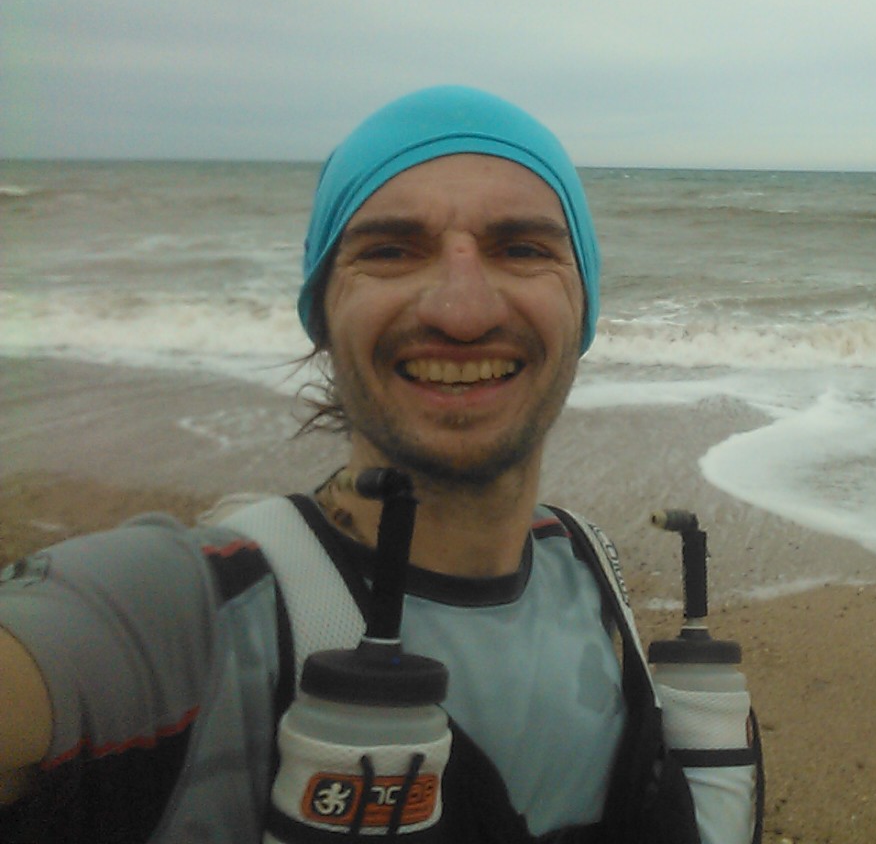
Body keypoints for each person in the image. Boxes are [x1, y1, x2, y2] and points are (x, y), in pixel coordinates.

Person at [0, 87, 758, 843]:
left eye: (523, 249)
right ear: (322, 312)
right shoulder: (185, 612)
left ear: (583, 307)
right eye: (391, 251)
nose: (463, 312)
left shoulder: (585, 564)